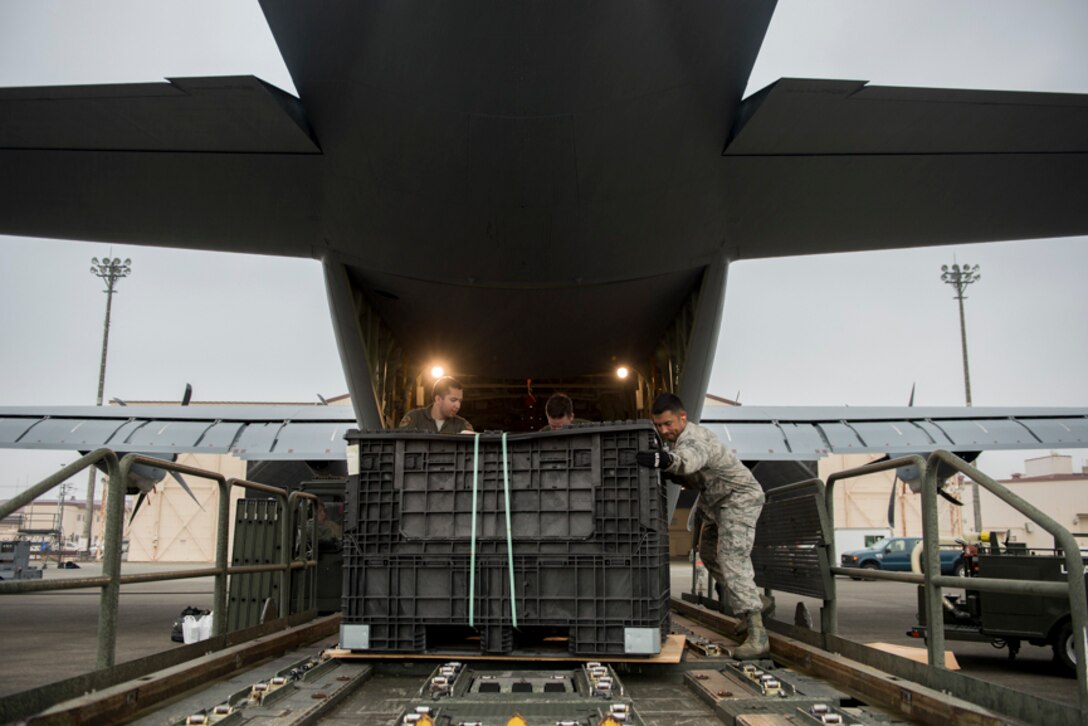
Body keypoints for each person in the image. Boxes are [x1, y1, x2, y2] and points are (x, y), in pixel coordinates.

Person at [636, 392, 768, 659]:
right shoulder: (678, 440)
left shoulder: (693, 438)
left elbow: (690, 459)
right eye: (659, 426)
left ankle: (758, 635)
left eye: (668, 424)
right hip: (716, 502)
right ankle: (752, 600)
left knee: (731, 557)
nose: (664, 430)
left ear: (682, 418)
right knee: (707, 553)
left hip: (738, 497)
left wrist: (665, 461)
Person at [398, 376, 475, 434]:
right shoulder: (414, 419)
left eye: (460, 401)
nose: (458, 406)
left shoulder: (462, 426)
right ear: (438, 399)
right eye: (453, 400)